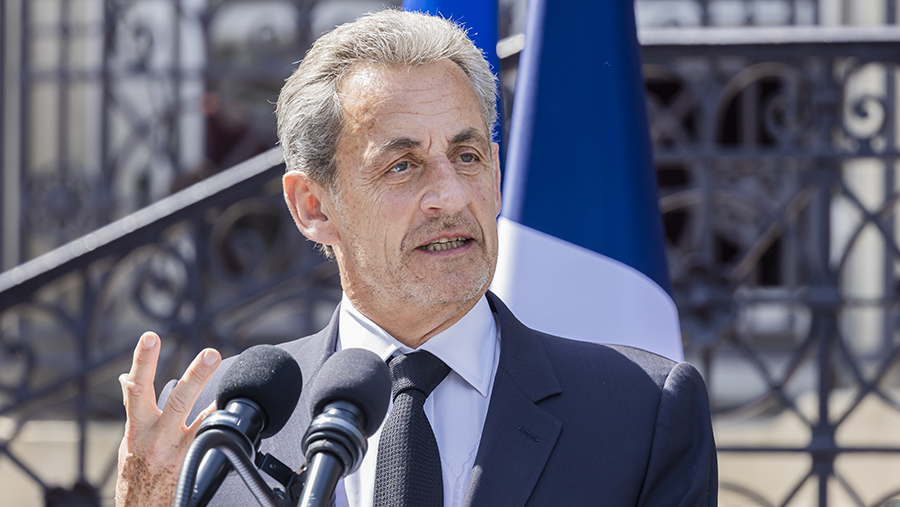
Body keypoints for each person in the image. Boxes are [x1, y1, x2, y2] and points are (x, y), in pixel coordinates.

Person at [115, 9, 717, 507]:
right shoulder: (219, 429)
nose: (450, 197)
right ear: (313, 206)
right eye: (402, 166)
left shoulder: (642, 412)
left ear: (497, 176)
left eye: (467, 156)